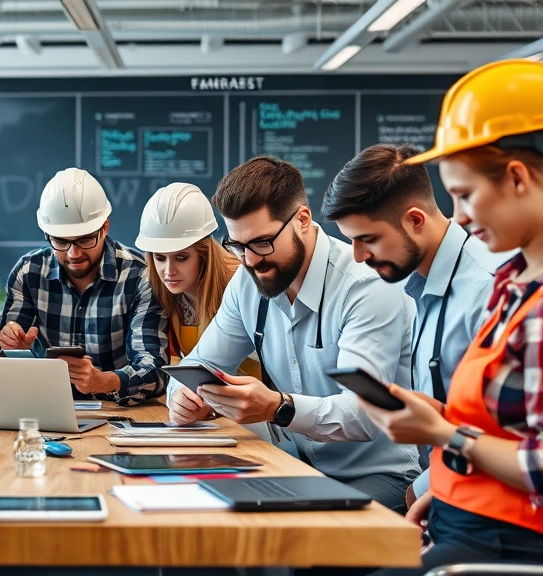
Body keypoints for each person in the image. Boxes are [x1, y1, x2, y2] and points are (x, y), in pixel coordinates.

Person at [361, 60, 543, 575]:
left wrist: (445, 435)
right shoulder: (513, 286)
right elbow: (502, 424)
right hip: (462, 518)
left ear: (517, 177)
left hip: (508, 543)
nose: (458, 216)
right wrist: (441, 472)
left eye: (464, 195)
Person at [168, 156, 420, 512]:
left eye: (261, 242)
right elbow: (198, 364)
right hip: (292, 467)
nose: (250, 261)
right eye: (237, 246)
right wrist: (182, 397)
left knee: (294, 540)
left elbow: (365, 415)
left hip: (375, 475)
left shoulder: (364, 288)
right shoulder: (247, 282)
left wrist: (278, 408)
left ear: (302, 220)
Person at [323, 143, 506, 506]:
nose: (358, 257)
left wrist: (421, 490)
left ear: (415, 220)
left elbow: (506, 434)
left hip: (482, 503)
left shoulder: (486, 290)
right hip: (444, 489)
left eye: (368, 240)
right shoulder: (418, 281)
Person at [0, 168, 167, 406]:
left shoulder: (140, 276)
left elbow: (155, 371)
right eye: (61, 241)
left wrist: (104, 381)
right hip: (43, 404)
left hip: (116, 409)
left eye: (86, 239)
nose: (73, 253)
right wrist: (14, 348)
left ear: (105, 227)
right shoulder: (29, 272)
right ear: (47, 234)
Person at [135, 182, 261, 379]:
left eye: (182, 258)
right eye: (160, 258)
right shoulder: (161, 290)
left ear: (204, 254)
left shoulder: (241, 283)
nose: (169, 271)